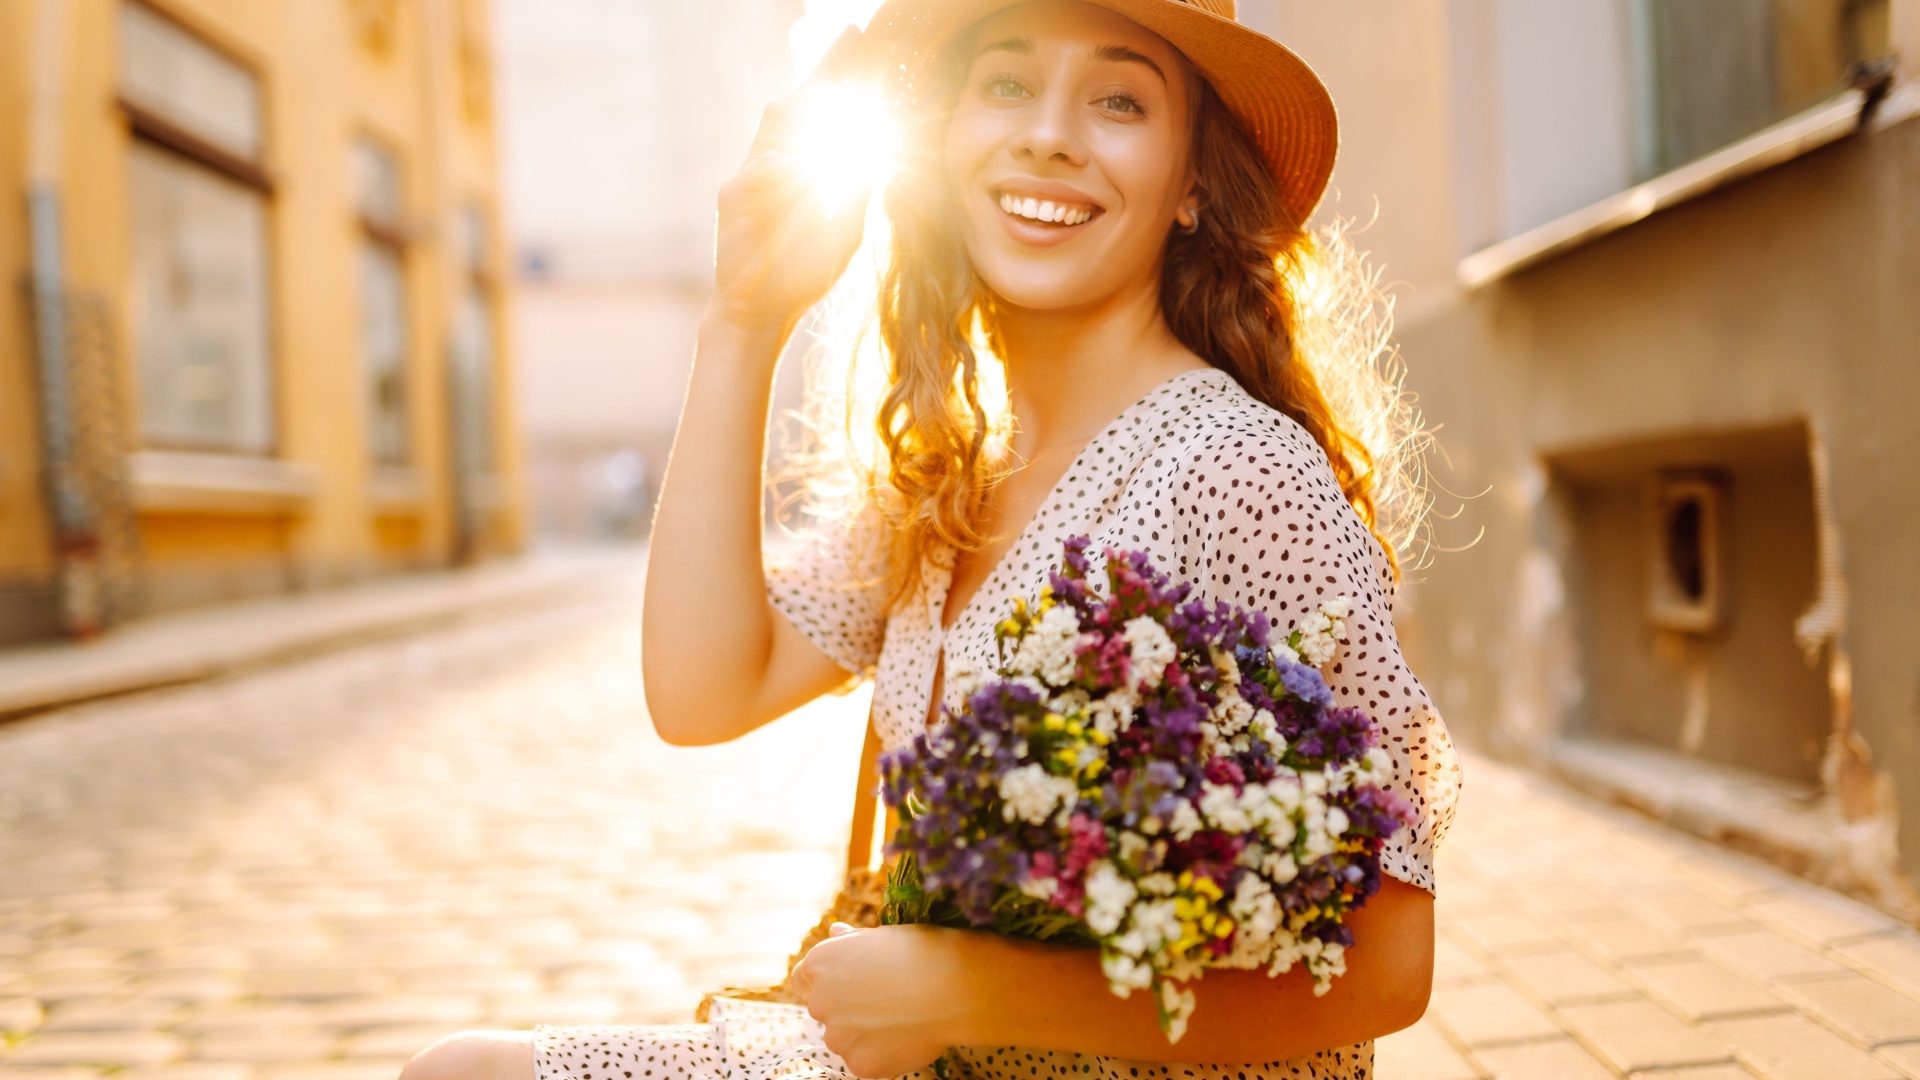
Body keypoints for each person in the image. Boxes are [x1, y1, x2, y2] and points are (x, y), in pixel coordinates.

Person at [402, 1, 1460, 1077]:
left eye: (1119, 99)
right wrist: (743, 324)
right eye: (1004, 84)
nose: (1049, 133)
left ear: (1193, 180)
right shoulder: (954, 475)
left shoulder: (1236, 471)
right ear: (940, 151)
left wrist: (964, 991)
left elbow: (1384, 967)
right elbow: (701, 689)